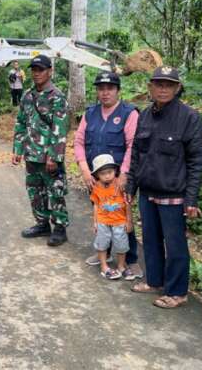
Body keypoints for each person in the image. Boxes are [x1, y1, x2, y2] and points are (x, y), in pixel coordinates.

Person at [125, 66, 202, 309]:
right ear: (150, 87)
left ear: (177, 88)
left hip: (174, 195)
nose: (163, 88)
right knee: (149, 240)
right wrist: (131, 184)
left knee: (175, 245)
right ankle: (155, 281)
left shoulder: (189, 117)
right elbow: (137, 153)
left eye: (168, 84)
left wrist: (191, 199)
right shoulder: (146, 115)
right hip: (148, 191)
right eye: (158, 84)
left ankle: (178, 292)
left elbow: (197, 160)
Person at [73, 71, 143, 280]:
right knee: (102, 213)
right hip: (97, 179)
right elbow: (78, 142)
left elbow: (133, 145)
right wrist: (85, 170)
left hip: (120, 177)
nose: (105, 93)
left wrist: (125, 174)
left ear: (118, 90)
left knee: (122, 217)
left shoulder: (129, 113)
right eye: (101, 89)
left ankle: (130, 260)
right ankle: (104, 253)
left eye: (109, 89)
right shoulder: (90, 113)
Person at [13, 54, 70, 246]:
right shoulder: (28, 96)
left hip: (49, 156)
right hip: (31, 155)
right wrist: (18, 148)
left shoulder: (57, 97)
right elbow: (21, 122)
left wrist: (54, 156)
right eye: (34, 70)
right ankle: (42, 223)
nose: (36, 73)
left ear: (49, 71)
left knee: (55, 192)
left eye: (41, 70)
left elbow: (60, 129)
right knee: (35, 192)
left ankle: (60, 228)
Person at [90, 154, 132, 280]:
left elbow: (128, 203)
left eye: (110, 172)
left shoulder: (121, 185)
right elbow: (96, 205)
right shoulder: (96, 187)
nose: (107, 176)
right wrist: (95, 221)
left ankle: (121, 266)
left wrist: (129, 221)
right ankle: (104, 266)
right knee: (102, 243)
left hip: (120, 221)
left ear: (115, 171)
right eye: (103, 173)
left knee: (121, 244)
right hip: (103, 220)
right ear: (97, 175)